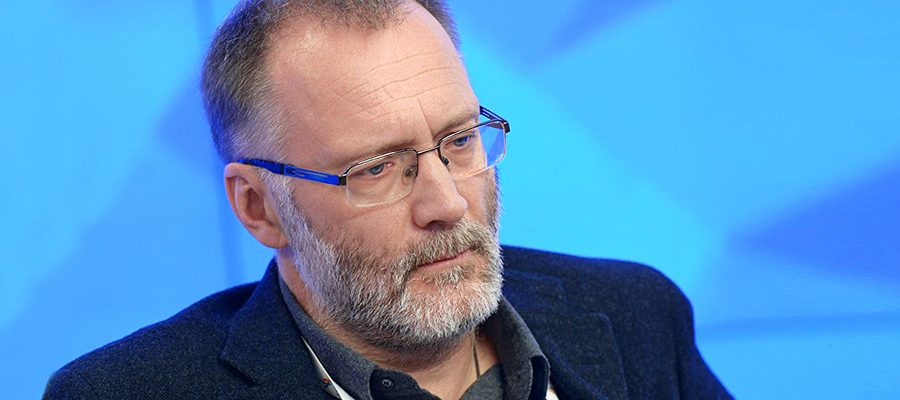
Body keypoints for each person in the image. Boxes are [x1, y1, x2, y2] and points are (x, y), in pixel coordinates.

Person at [44, 0, 731, 399]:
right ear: (259, 208)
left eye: (459, 141)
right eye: (375, 169)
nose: (446, 203)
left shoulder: (637, 316)